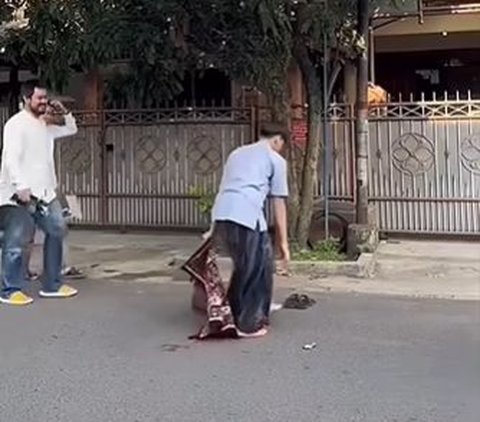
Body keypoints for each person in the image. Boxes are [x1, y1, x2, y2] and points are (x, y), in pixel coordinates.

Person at [183, 122, 290, 339]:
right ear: (277, 140)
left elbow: (224, 188)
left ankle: (240, 310)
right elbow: (278, 203)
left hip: (224, 215)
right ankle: (248, 324)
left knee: (255, 263)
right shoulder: (275, 160)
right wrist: (284, 244)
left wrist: (213, 227)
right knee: (254, 268)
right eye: (281, 145)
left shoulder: (237, 153)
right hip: (246, 215)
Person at [0, 82, 79, 305]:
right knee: (17, 241)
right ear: (26, 99)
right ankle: (10, 289)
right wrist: (20, 185)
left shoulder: (44, 124)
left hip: (45, 192)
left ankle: (52, 285)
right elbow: (11, 157)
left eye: (45, 98)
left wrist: (64, 111)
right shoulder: (16, 125)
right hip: (19, 193)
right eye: (39, 98)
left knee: (57, 231)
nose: (43, 102)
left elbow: (71, 129)